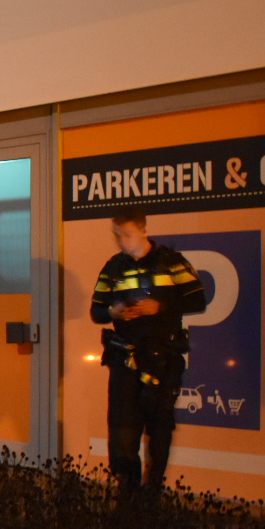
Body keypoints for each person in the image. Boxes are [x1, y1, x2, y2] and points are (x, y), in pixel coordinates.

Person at [89, 207, 206, 496]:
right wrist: (114, 311)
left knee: (160, 430)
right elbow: (96, 311)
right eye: (117, 236)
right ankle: (126, 493)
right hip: (125, 359)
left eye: (127, 234)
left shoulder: (171, 262)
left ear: (143, 230)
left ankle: (153, 492)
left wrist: (160, 306)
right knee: (122, 431)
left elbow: (198, 301)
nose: (121, 241)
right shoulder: (113, 267)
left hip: (162, 359)